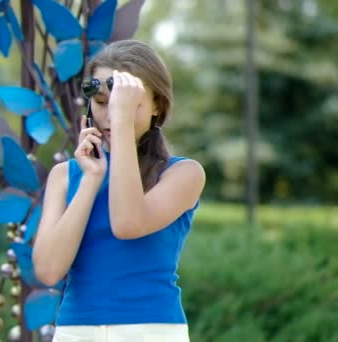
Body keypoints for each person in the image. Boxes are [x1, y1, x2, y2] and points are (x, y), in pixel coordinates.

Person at [32, 39, 206, 341]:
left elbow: (127, 224)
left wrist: (122, 123)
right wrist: (90, 180)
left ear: (157, 105)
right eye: (101, 103)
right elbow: (48, 271)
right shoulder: (66, 175)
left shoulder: (183, 173)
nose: (111, 115)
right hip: (76, 330)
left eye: (123, 104)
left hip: (150, 329)